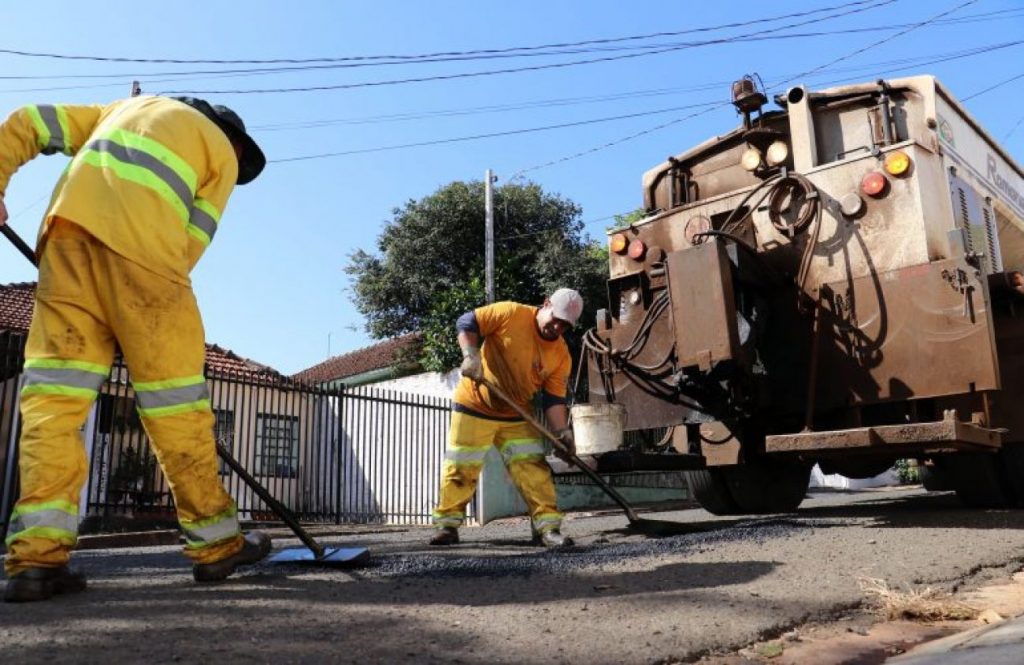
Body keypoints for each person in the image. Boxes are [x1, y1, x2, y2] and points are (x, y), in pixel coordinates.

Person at [0, 94, 270, 602]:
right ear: (235, 138)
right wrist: (137, 324)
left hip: (64, 244)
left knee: (52, 409)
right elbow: (191, 243)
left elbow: (28, 122)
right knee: (176, 405)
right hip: (147, 260)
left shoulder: (121, 109)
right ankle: (216, 546)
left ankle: (35, 562)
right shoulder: (222, 153)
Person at [430, 288, 584, 549]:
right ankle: (447, 527)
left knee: (533, 469)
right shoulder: (510, 313)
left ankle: (547, 528)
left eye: (565, 325)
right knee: (460, 467)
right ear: (545, 303)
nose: (557, 327)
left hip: (516, 414)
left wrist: (562, 433)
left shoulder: (560, 354)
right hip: (474, 404)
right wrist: (470, 355)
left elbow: (553, 400)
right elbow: (467, 322)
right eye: (555, 318)